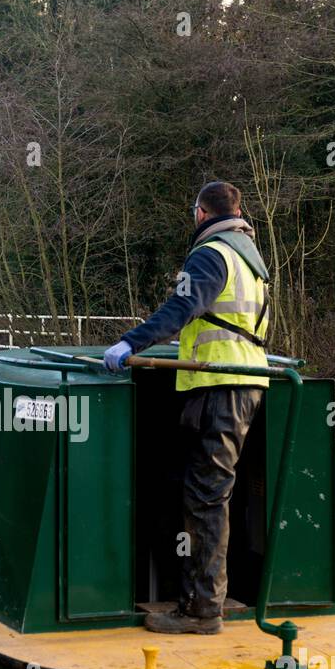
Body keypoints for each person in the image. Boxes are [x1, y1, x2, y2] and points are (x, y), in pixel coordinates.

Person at [104, 181, 271, 635]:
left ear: (201, 213)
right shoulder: (250, 259)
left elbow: (181, 307)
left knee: (206, 499)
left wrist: (130, 342)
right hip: (243, 383)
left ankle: (201, 610)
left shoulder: (212, 254)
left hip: (221, 386)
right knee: (208, 494)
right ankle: (204, 600)